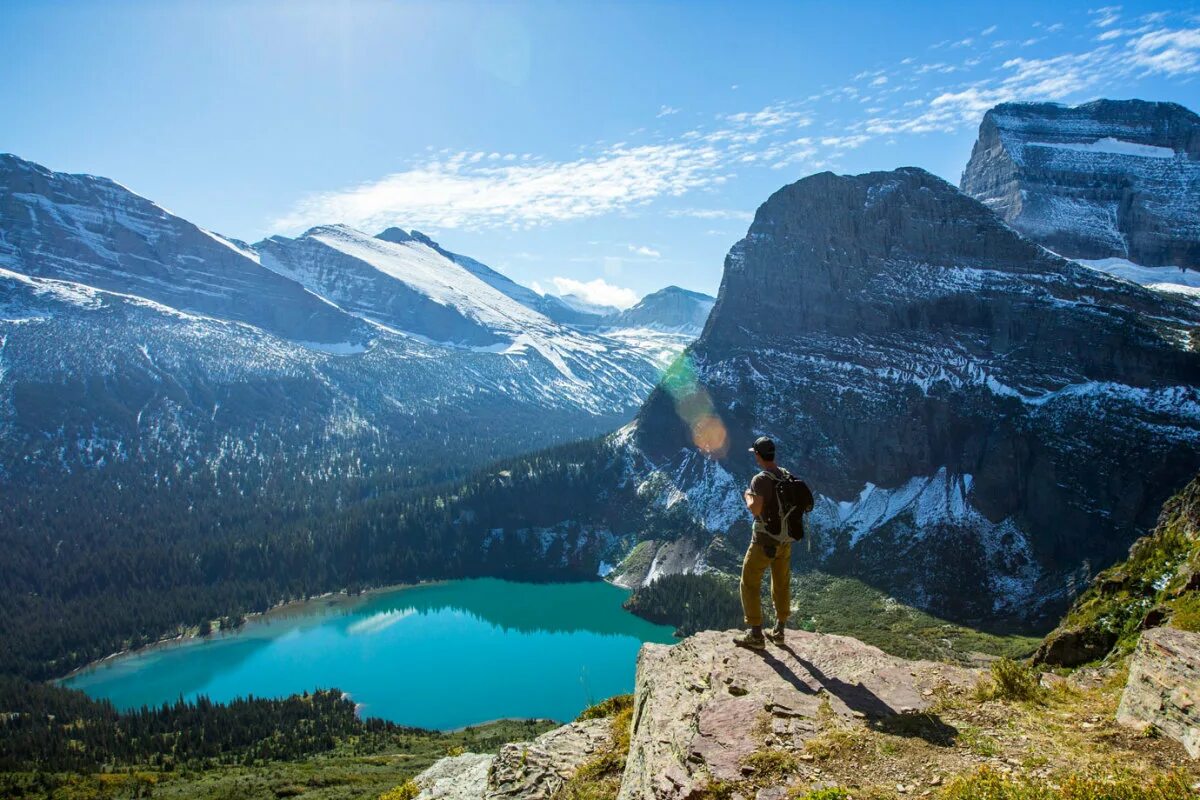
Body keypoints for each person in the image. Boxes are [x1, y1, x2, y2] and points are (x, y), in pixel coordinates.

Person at [733, 436, 793, 650]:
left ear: (758, 455)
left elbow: (756, 509)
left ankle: (756, 634)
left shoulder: (760, 479)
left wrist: (747, 495)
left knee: (749, 582)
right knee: (781, 584)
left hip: (764, 542)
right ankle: (779, 631)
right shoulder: (785, 475)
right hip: (785, 541)